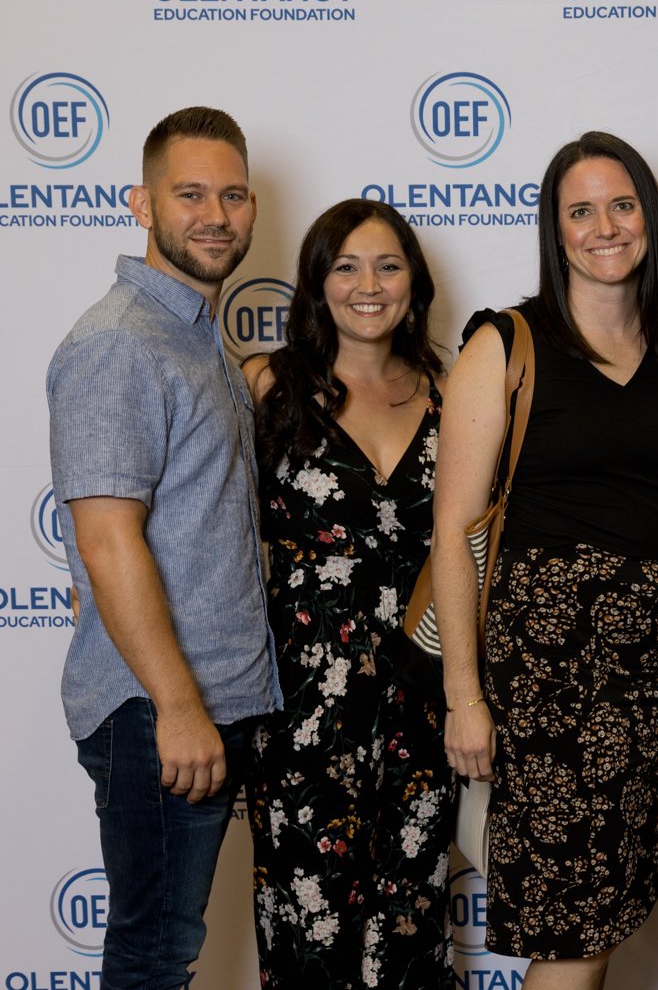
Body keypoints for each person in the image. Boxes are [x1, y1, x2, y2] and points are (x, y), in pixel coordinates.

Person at [436, 130, 658, 990]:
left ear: (650, 220)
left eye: (622, 206)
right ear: (555, 231)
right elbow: (452, 534)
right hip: (545, 690)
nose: (605, 227)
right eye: (580, 211)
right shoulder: (507, 345)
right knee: (570, 935)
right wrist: (465, 698)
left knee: (603, 921)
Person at [46, 106, 279, 990]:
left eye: (233, 195)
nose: (215, 215)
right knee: (152, 957)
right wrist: (178, 708)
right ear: (142, 205)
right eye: (190, 194)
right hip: (160, 711)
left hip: (210, 698)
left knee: (162, 949)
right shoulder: (120, 342)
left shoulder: (193, 337)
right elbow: (108, 543)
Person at [242, 199, 455, 988]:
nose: (369, 286)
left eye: (388, 266)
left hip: (422, 701)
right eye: (346, 266)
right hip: (303, 705)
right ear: (316, 282)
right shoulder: (269, 385)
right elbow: (203, 521)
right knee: (312, 924)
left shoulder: (449, 393)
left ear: (414, 283)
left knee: (411, 917)